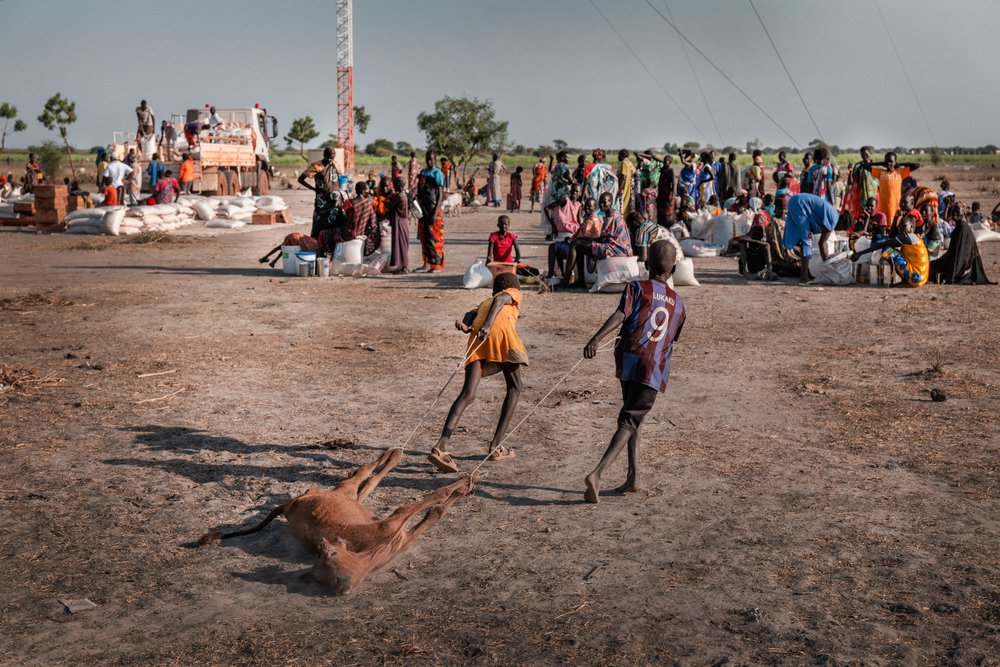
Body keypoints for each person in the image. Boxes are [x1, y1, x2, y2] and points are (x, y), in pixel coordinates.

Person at [582, 240, 685, 503]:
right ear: (673, 271)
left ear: (647, 264)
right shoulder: (679, 303)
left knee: (632, 415)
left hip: (628, 358)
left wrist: (595, 338)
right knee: (631, 418)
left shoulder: (637, 287)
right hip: (652, 367)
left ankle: (633, 477)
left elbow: (621, 314)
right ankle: (597, 474)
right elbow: (673, 337)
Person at [427, 272, 527, 473]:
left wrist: (466, 326)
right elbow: (500, 299)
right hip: (498, 336)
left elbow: (470, 314)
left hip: (477, 339)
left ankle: (441, 446)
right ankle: (495, 446)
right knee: (515, 387)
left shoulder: (483, 303)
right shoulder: (511, 294)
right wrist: (489, 325)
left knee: (467, 394)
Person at [562, 192, 633, 288]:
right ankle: (580, 281)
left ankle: (566, 281)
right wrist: (584, 239)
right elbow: (603, 238)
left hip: (614, 249)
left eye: (604, 202)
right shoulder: (616, 214)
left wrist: (584, 239)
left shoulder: (610, 216)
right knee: (578, 244)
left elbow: (601, 239)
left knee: (575, 244)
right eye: (600, 202)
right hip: (618, 247)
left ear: (611, 202)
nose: (602, 205)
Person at [851, 212, 929, 287]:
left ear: (911, 227)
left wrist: (860, 253)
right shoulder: (914, 236)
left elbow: (882, 244)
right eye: (900, 227)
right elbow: (891, 237)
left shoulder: (906, 237)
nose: (901, 229)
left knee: (887, 250)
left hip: (916, 277)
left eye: (904, 226)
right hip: (922, 277)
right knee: (894, 250)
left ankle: (904, 280)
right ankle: (903, 279)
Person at [783, 193, 838, 283]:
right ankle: (804, 277)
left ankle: (804, 275)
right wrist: (827, 264)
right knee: (806, 241)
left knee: (802, 241)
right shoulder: (833, 220)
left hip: (796, 201)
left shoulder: (832, 214)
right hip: (800, 205)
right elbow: (822, 243)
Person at [929, 209, 993, 284]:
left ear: (963, 214)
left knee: (933, 267)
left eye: (957, 212)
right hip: (957, 259)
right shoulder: (960, 226)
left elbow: (959, 253)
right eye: (953, 212)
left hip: (961, 263)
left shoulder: (962, 227)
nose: (954, 214)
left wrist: (951, 274)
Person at [298, 146, 342, 239]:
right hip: (322, 202)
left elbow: (339, 178)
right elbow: (300, 179)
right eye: (329, 156)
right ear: (324, 155)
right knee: (319, 224)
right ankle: (316, 245)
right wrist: (313, 189)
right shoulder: (317, 166)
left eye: (333, 156)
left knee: (335, 224)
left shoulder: (336, 164)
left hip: (335, 202)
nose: (330, 158)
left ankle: (331, 246)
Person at [867, 151, 920, 227]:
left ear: (895, 162)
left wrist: (901, 164)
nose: (889, 164)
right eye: (887, 161)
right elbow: (864, 165)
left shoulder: (900, 173)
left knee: (896, 224)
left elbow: (917, 165)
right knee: (883, 223)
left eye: (891, 161)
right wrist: (881, 163)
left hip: (896, 205)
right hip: (884, 205)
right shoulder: (880, 173)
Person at [416, 150, 446, 272]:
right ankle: (426, 264)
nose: (430, 161)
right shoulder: (422, 173)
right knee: (424, 236)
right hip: (423, 209)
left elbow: (440, 194)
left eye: (432, 159)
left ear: (435, 159)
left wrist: (435, 211)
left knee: (435, 237)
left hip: (433, 209)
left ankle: (437, 265)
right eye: (428, 159)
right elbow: (419, 191)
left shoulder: (437, 173)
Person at [545, 184, 583, 279]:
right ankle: (552, 274)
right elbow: (547, 208)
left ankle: (564, 276)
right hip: (562, 234)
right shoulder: (564, 200)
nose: (574, 193)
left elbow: (579, 221)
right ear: (570, 191)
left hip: (573, 236)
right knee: (555, 249)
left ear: (580, 193)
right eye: (573, 190)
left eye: (576, 191)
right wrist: (553, 225)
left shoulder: (578, 205)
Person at [540, 151, 573, 239]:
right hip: (562, 193)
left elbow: (552, 173)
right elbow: (570, 180)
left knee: (554, 212)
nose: (569, 159)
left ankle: (551, 232)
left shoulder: (558, 166)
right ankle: (560, 231)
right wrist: (572, 182)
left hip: (554, 192)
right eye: (567, 157)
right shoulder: (564, 166)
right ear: (562, 158)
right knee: (562, 213)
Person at [842, 146, 878, 218]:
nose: (864, 156)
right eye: (862, 155)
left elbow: (879, 180)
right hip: (862, 195)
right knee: (863, 213)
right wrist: (850, 171)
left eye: (866, 154)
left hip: (874, 194)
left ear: (870, 154)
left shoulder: (875, 165)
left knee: (874, 213)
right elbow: (851, 182)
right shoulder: (858, 166)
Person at [387, 176, 409, 273]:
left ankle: (404, 267)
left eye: (395, 185)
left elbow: (390, 205)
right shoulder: (402, 194)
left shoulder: (400, 196)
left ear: (399, 185)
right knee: (401, 244)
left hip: (400, 221)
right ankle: (402, 265)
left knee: (401, 244)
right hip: (402, 221)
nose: (393, 186)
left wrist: (382, 200)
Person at [656, 154, 676, 227]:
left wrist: (672, 197)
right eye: (664, 160)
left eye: (666, 160)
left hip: (668, 194)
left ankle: (668, 226)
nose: (664, 162)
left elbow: (674, 184)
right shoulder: (663, 169)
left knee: (667, 213)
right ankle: (661, 226)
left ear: (670, 162)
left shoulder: (671, 170)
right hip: (661, 194)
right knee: (660, 213)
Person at [618, 149, 636, 218]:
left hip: (624, 189)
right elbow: (635, 173)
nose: (618, 157)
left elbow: (623, 177)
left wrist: (619, 190)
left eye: (619, 155)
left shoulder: (624, 163)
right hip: (630, 189)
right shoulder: (630, 163)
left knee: (622, 207)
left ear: (622, 155)